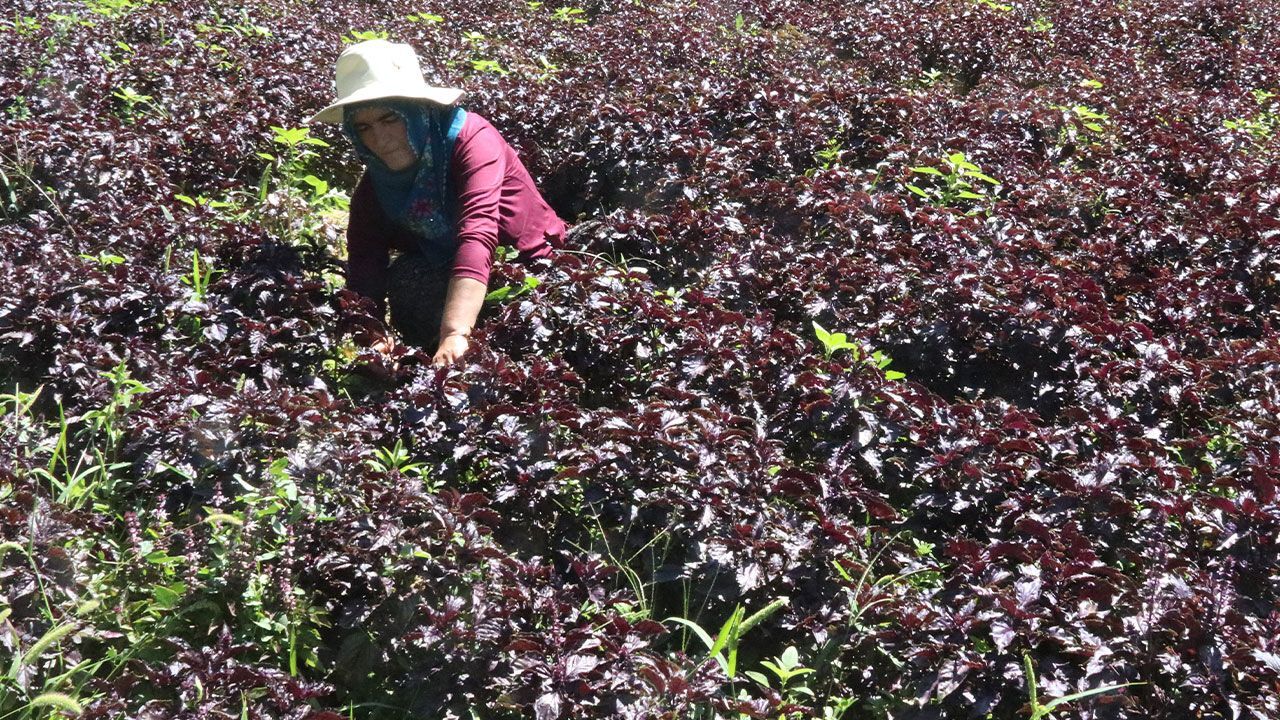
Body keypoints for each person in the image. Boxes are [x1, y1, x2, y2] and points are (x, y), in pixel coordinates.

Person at [308, 40, 566, 365]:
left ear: (418, 111)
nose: (379, 138)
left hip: (527, 266)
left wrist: (456, 333)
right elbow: (364, 262)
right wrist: (369, 335)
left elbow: (479, 231)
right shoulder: (375, 186)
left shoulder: (471, 139)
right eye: (364, 127)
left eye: (390, 119)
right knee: (407, 278)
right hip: (455, 275)